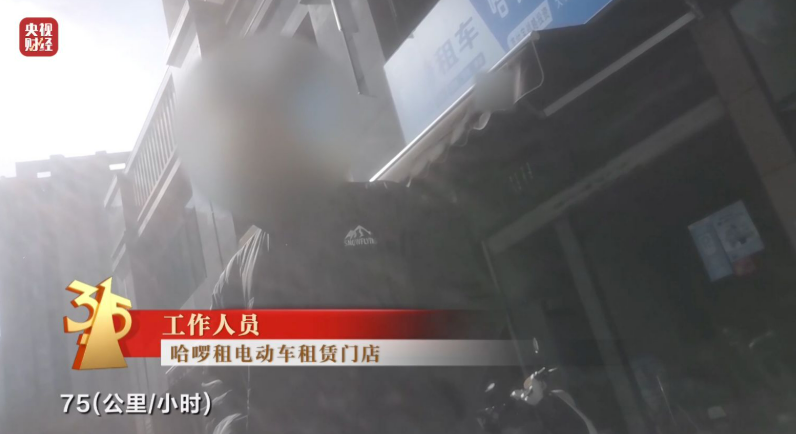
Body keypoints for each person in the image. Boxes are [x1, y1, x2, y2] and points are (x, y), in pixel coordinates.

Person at [175, 35, 499, 434]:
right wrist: (232, 425)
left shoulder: (389, 209)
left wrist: (421, 410)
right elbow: (213, 376)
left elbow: (466, 312)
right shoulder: (235, 280)